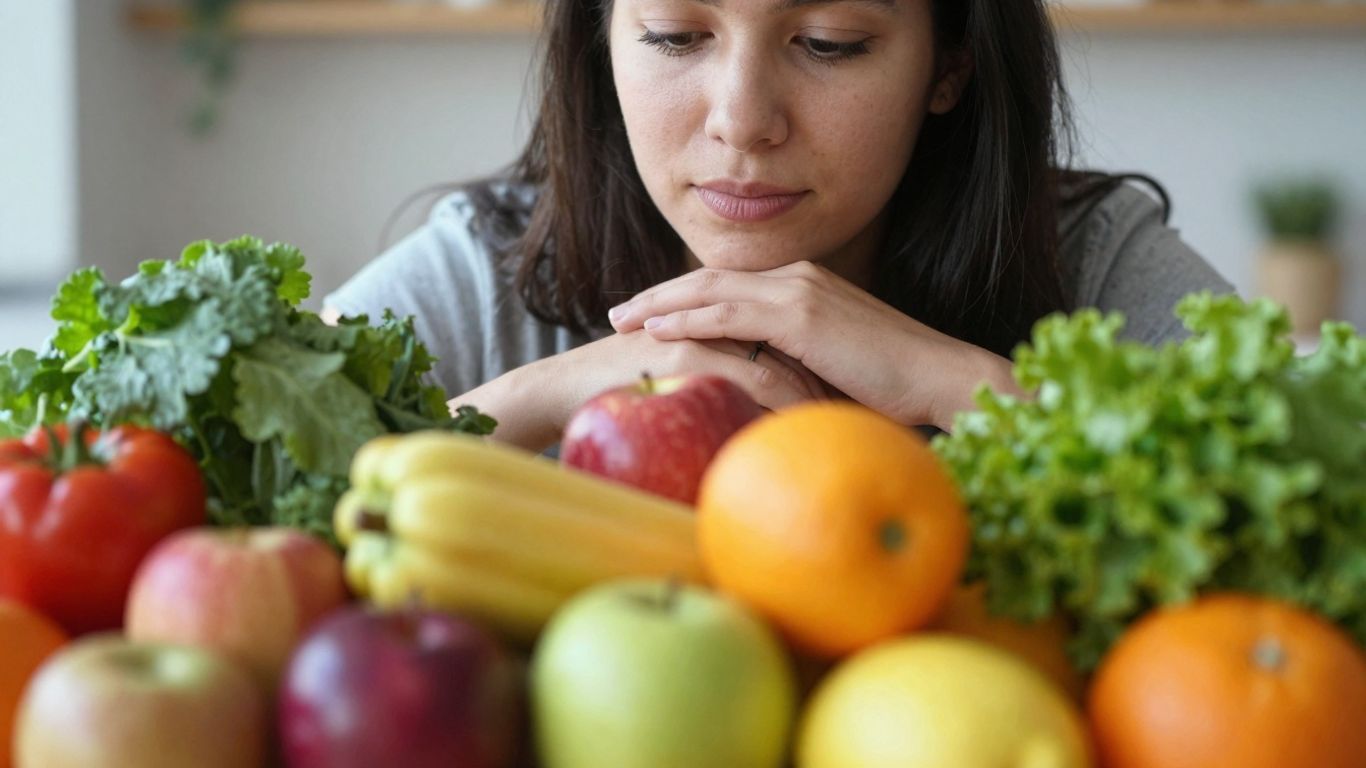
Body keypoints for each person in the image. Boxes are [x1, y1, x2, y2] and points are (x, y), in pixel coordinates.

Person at [325, 0, 1233, 452]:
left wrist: (963, 387)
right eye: (677, 35)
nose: (742, 119)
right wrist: (535, 399)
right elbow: (248, 499)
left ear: (948, 65)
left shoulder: (1093, 263)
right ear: (601, 42)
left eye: (828, 42)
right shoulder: (488, 267)